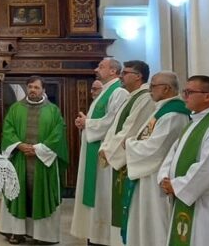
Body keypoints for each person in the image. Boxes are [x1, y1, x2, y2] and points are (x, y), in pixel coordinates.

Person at [158, 75, 209, 246]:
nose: (184, 96)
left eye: (189, 92)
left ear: (207, 96)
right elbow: (172, 155)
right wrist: (164, 178)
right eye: (184, 91)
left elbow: (208, 167)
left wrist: (177, 185)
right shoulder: (192, 124)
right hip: (188, 198)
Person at [123, 71, 190, 246]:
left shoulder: (174, 114)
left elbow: (157, 148)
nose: (150, 90)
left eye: (153, 86)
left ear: (166, 88)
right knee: (146, 220)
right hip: (148, 174)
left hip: (157, 176)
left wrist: (129, 144)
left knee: (156, 221)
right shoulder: (163, 110)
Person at [0, 76, 68, 244]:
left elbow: (58, 134)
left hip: (43, 162)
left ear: (43, 90)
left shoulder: (53, 110)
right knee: (17, 194)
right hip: (20, 159)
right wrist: (19, 145)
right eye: (30, 87)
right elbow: (7, 130)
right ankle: (17, 232)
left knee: (41, 195)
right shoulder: (16, 108)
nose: (33, 90)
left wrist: (38, 149)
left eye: (36, 87)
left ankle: (43, 235)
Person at [71, 58, 129, 245]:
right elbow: (102, 120)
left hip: (105, 153)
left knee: (104, 194)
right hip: (94, 149)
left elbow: (113, 121)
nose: (96, 69)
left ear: (113, 71)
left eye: (101, 66)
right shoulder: (105, 91)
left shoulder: (118, 92)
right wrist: (85, 123)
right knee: (95, 194)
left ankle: (103, 237)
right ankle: (95, 235)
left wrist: (88, 123)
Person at [98, 60, 156, 243]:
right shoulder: (132, 96)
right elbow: (115, 126)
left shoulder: (145, 97)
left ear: (138, 76)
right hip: (121, 156)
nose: (121, 76)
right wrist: (106, 147)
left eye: (126, 73)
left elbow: (131, 129)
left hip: (129, 160)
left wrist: (109, 151)